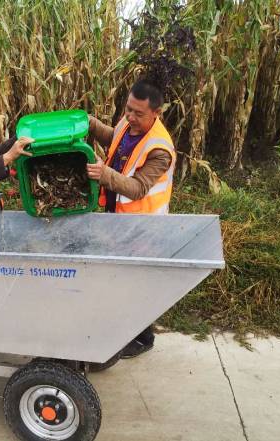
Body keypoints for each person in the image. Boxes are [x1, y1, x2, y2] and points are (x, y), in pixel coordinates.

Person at [86, 80, 176, 358]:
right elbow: (115, 138)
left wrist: (105, 175)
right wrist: (90, 123)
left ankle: (142, 338)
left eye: (138, 113)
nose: (130, 117)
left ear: (156, 113)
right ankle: (122, 328)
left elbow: (138, 188)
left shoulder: (159, 149)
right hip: (120, 217)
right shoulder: (129, 123)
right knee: (121, 276)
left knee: (137, 281)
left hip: (143, 224)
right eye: (128, 110)